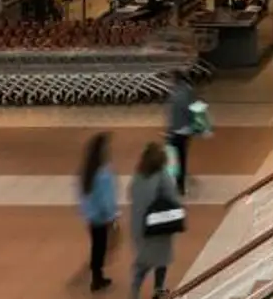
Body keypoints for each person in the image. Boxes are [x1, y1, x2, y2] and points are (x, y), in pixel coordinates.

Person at [128, 142, 178, 299]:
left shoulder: (138, 175)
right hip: (159, 224)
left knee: (143, 261)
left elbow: (131, 194)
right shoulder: (163, 176)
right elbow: (172, 197)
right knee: (161, 258)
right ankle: (158, 289)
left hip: (140, 226)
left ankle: (134, 292)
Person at [78, 132, 117, 292]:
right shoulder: (104, 173)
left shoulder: (87, 170)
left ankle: (97, 275)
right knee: (100, 248)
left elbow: (83, 195)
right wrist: (111, 216)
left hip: (91, 216)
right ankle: (97, 278)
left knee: (96, 246)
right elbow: (106, 198)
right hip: (102, 217)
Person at [164, 70, 196, 195]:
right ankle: (180, 185)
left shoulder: (177, 95)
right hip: (187, 130)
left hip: (177, 131)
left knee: (173, 158)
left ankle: (175, 184)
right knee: (182, 157)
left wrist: (169, 130)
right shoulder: (188, 90)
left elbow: (175, 116)